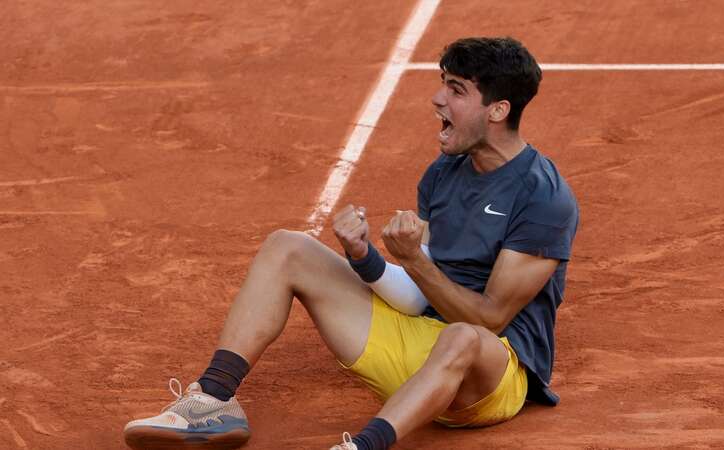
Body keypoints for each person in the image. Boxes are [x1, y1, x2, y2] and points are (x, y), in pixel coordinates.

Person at [123, 36, 578, 450]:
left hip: (490, 376)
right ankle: (212, 403)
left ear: (498, 111)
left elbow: (490, 320)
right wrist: (367, 259)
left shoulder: (543, 197)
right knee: (288, 247)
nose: (437, 98)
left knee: (461, 336)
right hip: (423, 349)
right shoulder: (443, 174)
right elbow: (420, 302)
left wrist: (415, 262)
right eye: (443, 83)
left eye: (457, 90)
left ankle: (363, 446)